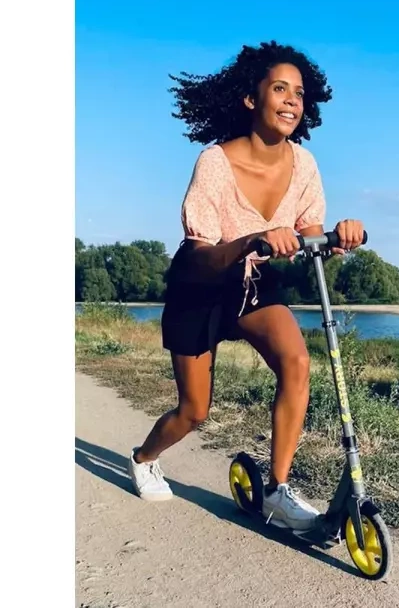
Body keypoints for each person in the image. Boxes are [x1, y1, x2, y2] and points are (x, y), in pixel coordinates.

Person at [127, 41, 365, 531]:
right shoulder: (215, 163)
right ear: (251, 98)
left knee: (297, 362)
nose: (292, 100)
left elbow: (310, 240)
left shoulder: (305, 165)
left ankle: (277, 490)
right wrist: (254, 239)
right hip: (200, 286)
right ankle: (144, 457)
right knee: (194, 411)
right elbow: (200, 254)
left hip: (253, 285)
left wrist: (341, 238)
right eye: (280, 89)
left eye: (299, 93)